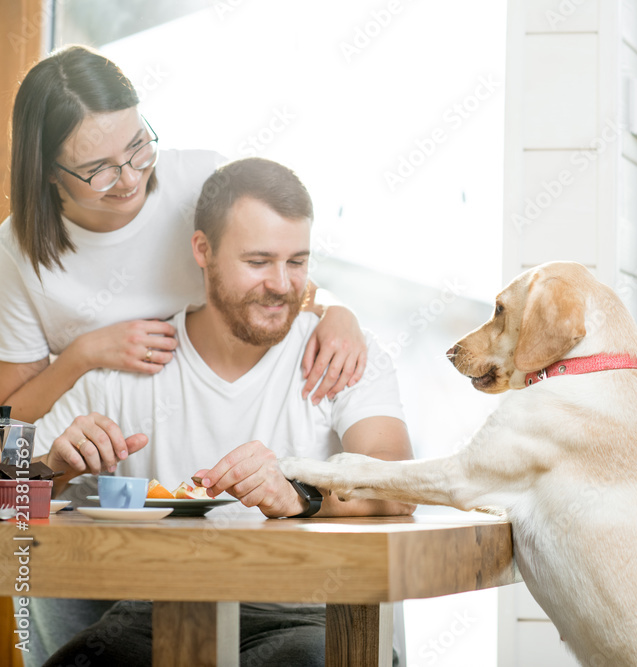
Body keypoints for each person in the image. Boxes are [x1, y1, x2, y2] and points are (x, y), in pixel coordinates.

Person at [31, 157, 415, 666]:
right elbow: (12, 495)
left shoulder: (341, 356)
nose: (281, 284)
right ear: (203, 251)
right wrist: (55, 469)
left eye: (297, 261)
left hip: (306, 618)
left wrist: (300, 492)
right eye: (258, 262)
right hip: (152, 617)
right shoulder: (127, 363)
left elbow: (399, 484)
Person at [0, 45, 367, 428]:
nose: (129, 180)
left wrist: (337, 310)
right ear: (49, 172)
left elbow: (278, 271)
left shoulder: (199, 182)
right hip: (99, 445)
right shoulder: (15, 254)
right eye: (98, 170)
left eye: (138, 146)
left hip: (221, 412)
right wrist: (84, 353)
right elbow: (9, 420)